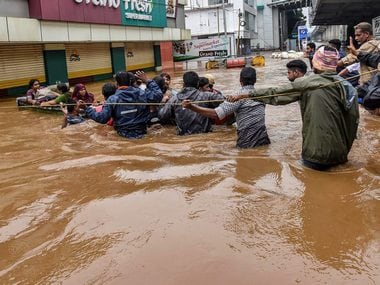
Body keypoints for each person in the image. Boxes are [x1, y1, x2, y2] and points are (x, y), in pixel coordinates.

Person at [230, 46, 359, 171]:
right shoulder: (349, 87)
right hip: (341, 154)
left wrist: (246, 94)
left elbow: (276, 94)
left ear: (316, 63)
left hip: (316, 155)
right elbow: (354, 122)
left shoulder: (307, 84)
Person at [182, 67, 270, 148]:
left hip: (247, 142)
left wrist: (192, 107)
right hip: (264, 140)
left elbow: (216, 114)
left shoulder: (237, 97)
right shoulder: (261, 95)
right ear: (255, 80)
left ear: (240, 80)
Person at [81, 71, 163, 139]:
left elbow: (102, 118)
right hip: (143, 134)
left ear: (117, 84)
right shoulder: (142, 94)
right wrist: (148, 81)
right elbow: (158, 96)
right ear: (131, 82)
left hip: (122, 136)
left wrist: (87, 109)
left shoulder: (113, 99)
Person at [158, 71, 224, 135]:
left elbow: (162, 116)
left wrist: (163, 102)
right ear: (198, 84)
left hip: (183, 138)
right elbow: (225, 103)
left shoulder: (174, 99)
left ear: (183, 84)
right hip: (205, 136)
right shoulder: (207, 95)